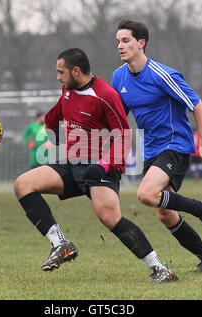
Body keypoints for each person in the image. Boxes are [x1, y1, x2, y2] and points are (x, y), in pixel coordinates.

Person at [14, 48, 178, 283]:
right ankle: (61, 243)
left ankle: (160, 269)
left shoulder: (105, 95)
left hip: (99, 168)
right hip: (71, 164)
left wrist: (103, 166)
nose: (59, 77)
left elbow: (124, 137)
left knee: (110, 218)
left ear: (76, 71)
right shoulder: (68, 90)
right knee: (23, 185)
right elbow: (54, 117)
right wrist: (58, 142)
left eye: (61, 73)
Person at [112, 19, 202, 273]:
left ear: (141, 43)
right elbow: (118, 116)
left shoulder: (163, 74)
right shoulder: (119, 77)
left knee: (145, 194)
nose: (120, 46)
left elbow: (196, 104)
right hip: (150, 149)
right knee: (165, 213)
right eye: (118, 41)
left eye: (125, 40)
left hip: (176, 145)